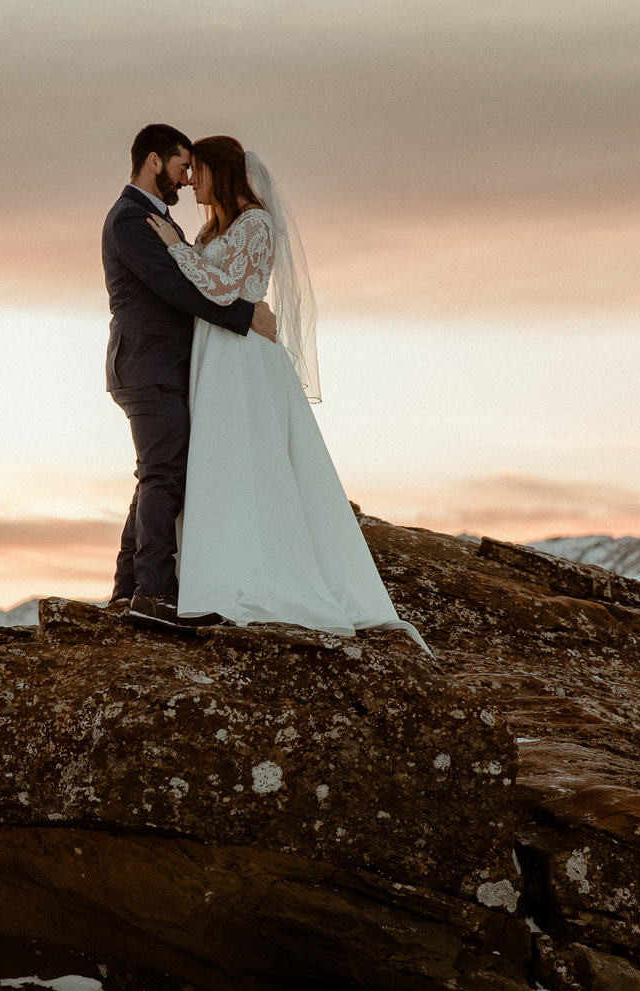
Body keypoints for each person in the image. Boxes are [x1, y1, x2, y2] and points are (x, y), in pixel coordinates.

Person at [147, 136, 421, 644]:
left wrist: (174, 250)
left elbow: (225, 286)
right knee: (219, 460)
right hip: (213, 351)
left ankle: (263, 576)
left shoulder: (256, 223)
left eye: (199, 171)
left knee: (252, 457)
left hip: (242, 357)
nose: (191, 181)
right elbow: (209, 279)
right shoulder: (215, 227)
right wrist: (185, 250)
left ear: (221, 173)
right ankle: (216, 574)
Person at [102, 124, 277, 633]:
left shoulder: (159, 219)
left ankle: (128, 587)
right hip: (148, 365)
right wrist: (246, 317)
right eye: (182, 168)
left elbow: (191, 276)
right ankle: (152, 591)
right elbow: (175, 288)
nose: (186, 180)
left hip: (163, 366)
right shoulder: (132, 220)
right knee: (163, 474)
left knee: (157, 471)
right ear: (155, 162)